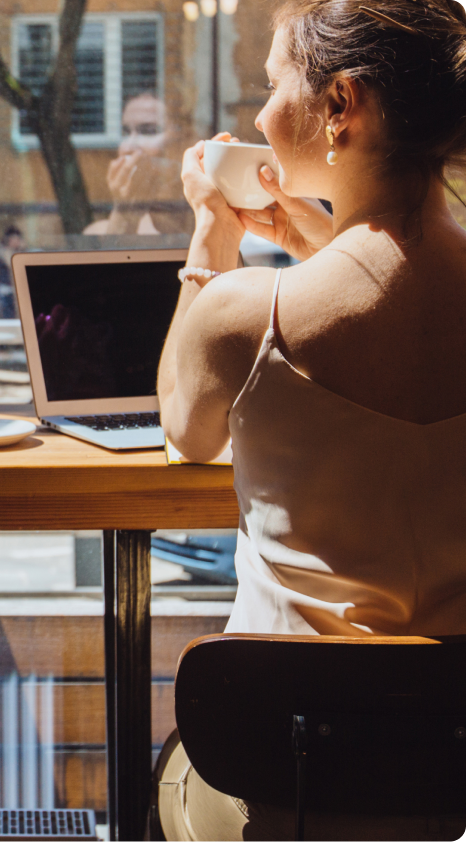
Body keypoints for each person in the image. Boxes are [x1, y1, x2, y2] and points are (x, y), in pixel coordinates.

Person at [154, 0, 466, 838]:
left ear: (340, 106)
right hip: (456, 778)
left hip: (291, 782)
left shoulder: (248, 317)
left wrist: (208, 240)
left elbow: (186, 427)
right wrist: (319, 252)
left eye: (272, 83)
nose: (258, 114)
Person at [83, 93, 192, 237]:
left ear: (181, 142)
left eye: (148, 131)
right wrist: (124, 214)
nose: (128, 146)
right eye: (126, 132)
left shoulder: (205, 219)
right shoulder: (97, 233)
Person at [0, 225, 23, 318]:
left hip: (12, 289)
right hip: (5, 289)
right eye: (15, 239)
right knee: (8, 315)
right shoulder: (4, 251)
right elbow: (13, 264)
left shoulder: (14, 251)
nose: (17, 242)